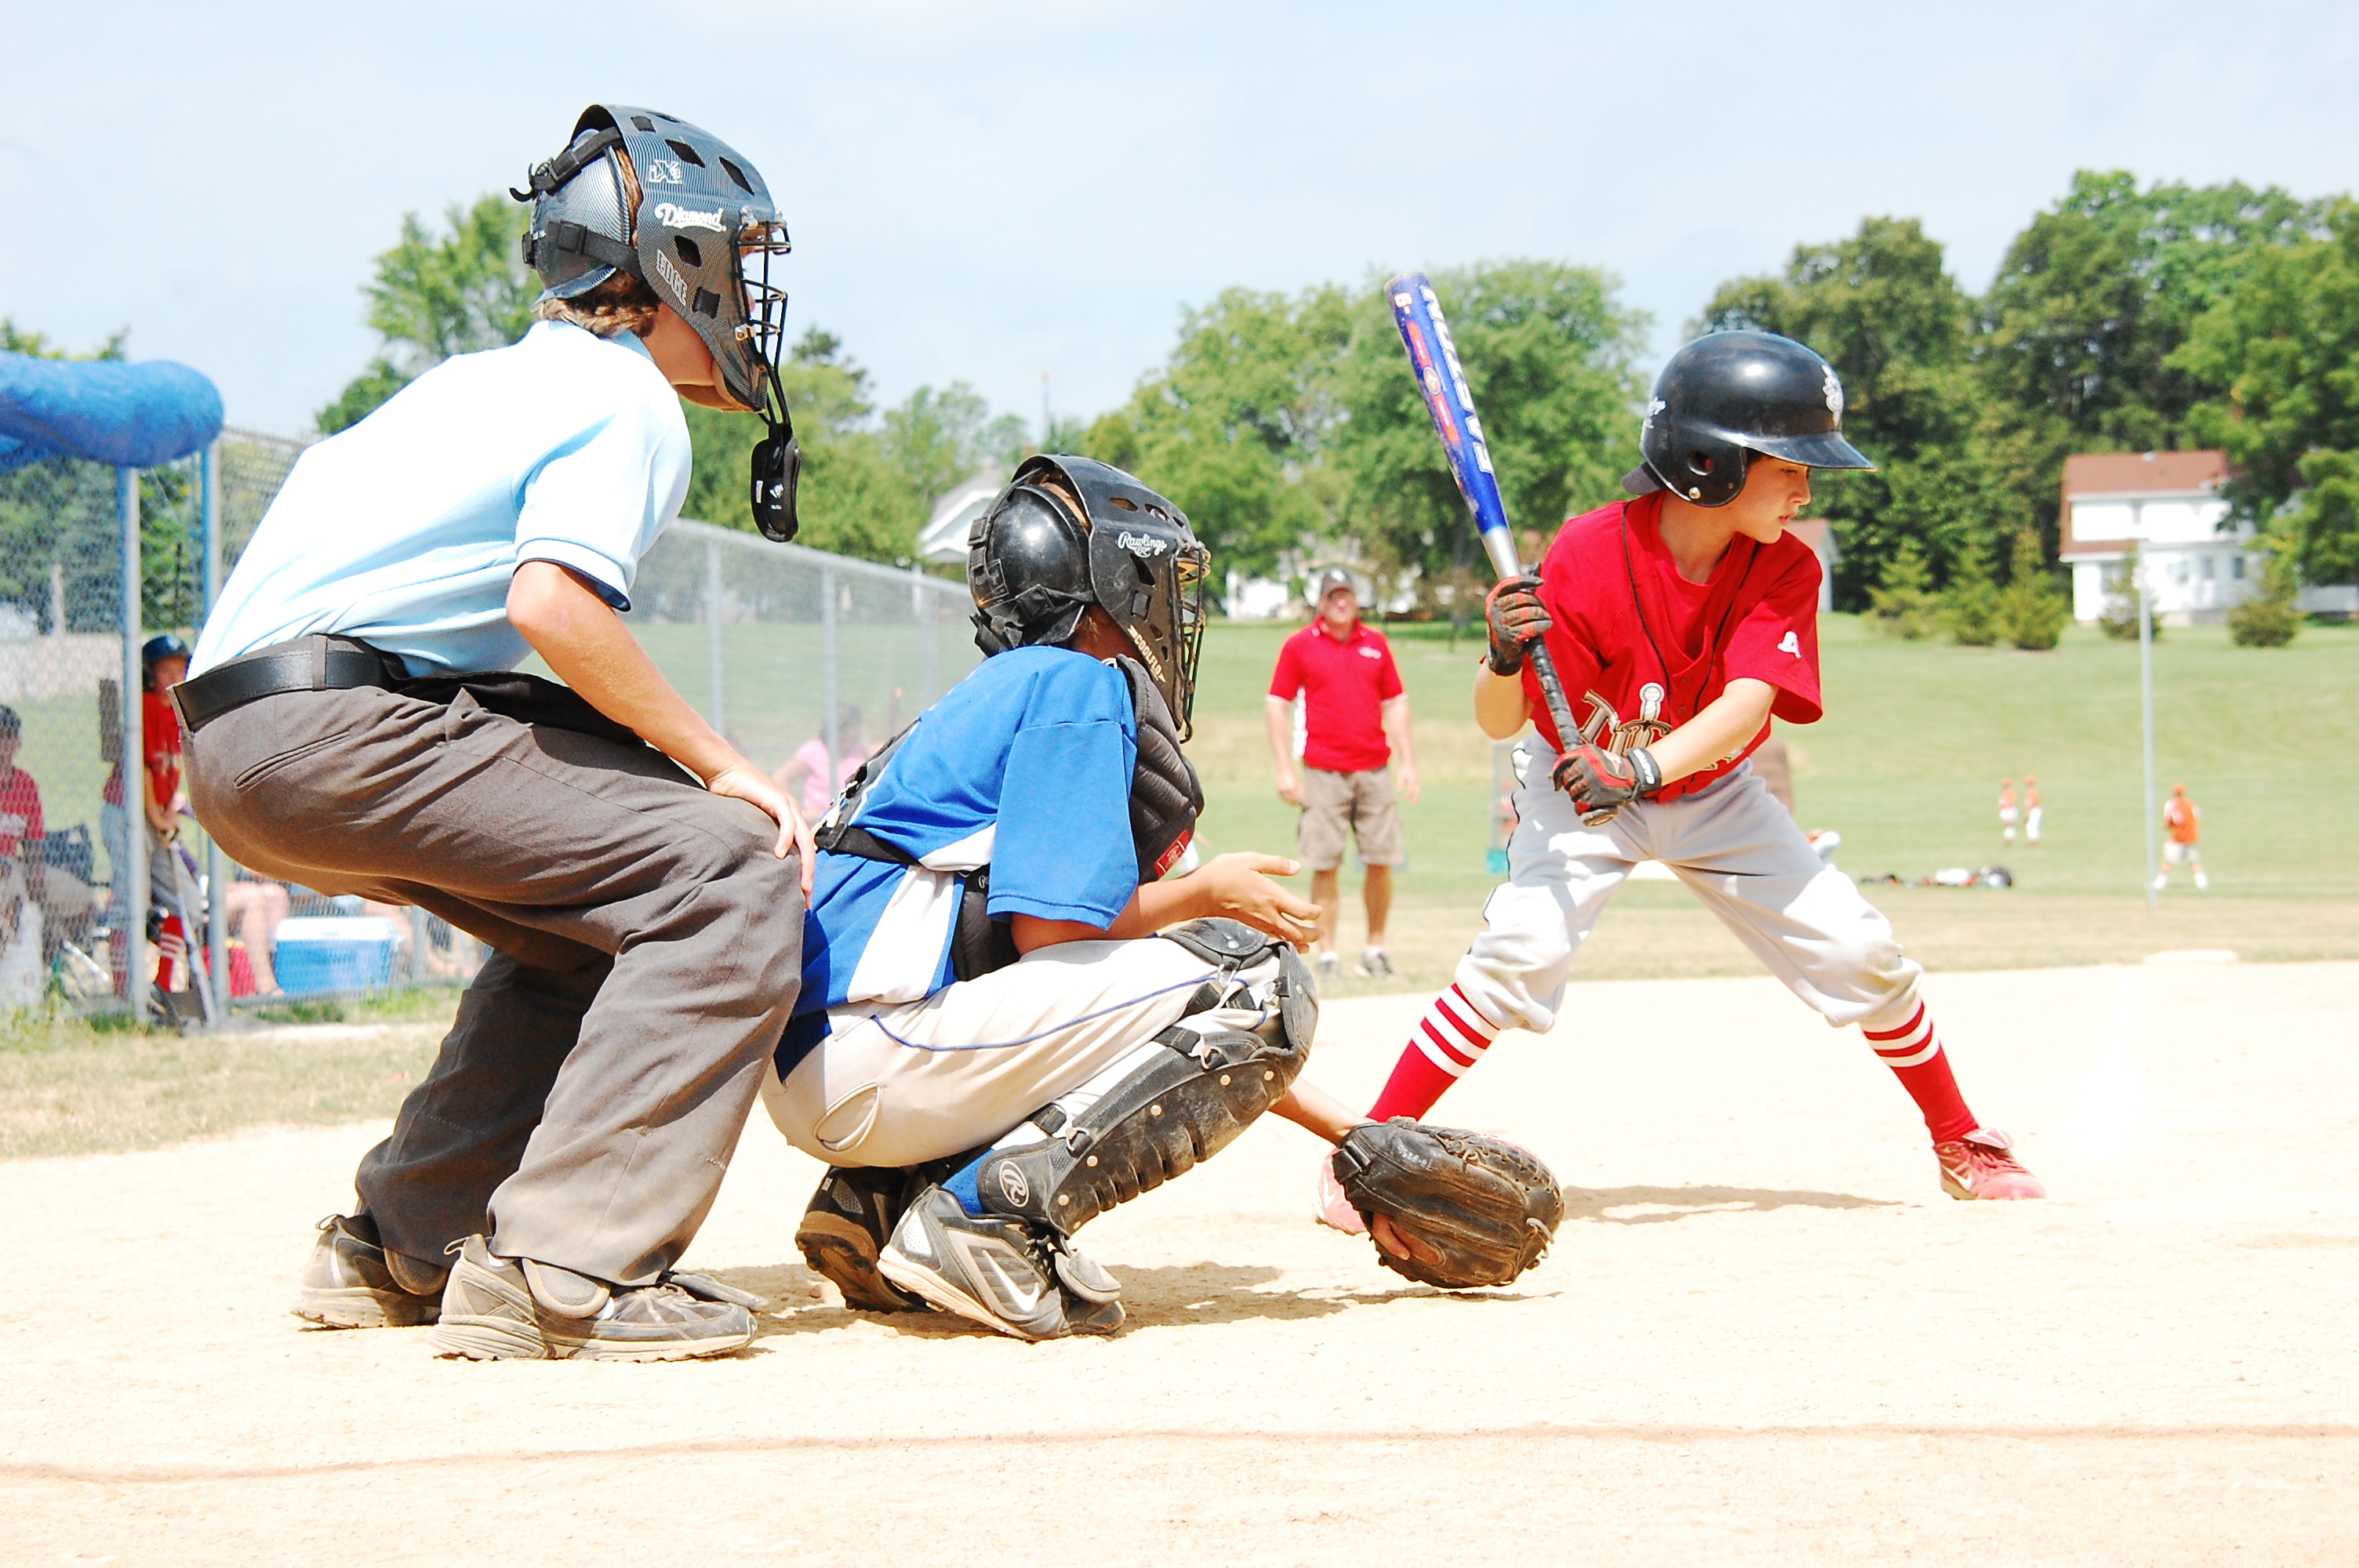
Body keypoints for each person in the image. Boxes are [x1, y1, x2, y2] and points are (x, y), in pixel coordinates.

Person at [180, 104, 813, 1362]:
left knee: (589, 927)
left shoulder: (472, 383)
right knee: (731, 866)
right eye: (736, 269)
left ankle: (403, 1243)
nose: (748, 306)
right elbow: (552, 603)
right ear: (674, 264)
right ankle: (567, 1269)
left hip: (240, 744)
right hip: (338, 728)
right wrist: (725, 766)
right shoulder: (624, 397)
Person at [1318, 330, 2044, 1236]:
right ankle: (1363, 1150)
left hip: (1708, 790)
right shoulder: (1587, 550)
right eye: (1790, 466)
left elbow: (1746, 706)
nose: (1806, 490)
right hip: (1576, 789)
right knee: (1519, 951)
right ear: (1710, 462)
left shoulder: (1784, 565)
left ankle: (1958, 1137)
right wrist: (1502, 655)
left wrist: (1640, 765)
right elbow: (1498, 721)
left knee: (1858, 948)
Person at [768, 455, 1374, 1341]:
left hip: (828, 1066)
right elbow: (1054, 939)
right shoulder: (1076, 682)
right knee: (1256, 979)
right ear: (1105, 589)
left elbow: (1105, 1014)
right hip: (879, 1055)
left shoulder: (991, 691)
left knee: (1182, 982)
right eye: (1153, 580)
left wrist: (1355, 1135)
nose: (1166, 606)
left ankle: (875, 1203)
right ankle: (981, 1217)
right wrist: (1204, 893)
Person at [1264, 566, 1419, 981]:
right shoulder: (1300, 646)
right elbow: (1277, 705)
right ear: (1321, 601)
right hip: (1323, 772)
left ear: (1355, 598)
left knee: (1381, 859)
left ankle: (1375, 949)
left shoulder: (1376, 644)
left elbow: (1396, 703)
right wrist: (1285, 769)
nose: (1340, 602)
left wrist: (1408, 761)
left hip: (1374, 769)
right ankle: (1328, 954)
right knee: (1325, 862)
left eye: (1346, 594)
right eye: (1332, 595)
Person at [101, 635, 194, 997]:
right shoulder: (144, 706)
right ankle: (124, 994)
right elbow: (140, 768)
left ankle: (162, 987)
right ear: (149, 674)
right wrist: (158, 817)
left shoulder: (179, 711)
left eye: (180, 669)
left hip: (157, 816)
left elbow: (174, 767)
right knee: (131, 903)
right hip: (127, 814)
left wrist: (169, 810)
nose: (174, 677)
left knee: (187, 902)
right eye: (165, 670)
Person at [773, 703, 868, 820]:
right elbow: (781, 778)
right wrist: (798, 813)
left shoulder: (860, 750)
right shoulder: (814, 752)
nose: (857, 732)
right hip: (818, 824)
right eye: (852, 727)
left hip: (848, 822)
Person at [2156, 782, 2205, 891]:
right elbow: (2197, 818)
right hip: (2191, 838)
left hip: (2177, 839)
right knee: (2194, 861)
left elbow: (2169, 821)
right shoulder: (2191, 805)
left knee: (2168, 861)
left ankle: (2161, 882)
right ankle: (2202, 882)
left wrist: (2166, 826)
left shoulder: (2172, 805)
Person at [1998, 776, 2019, 844]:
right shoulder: (2004, 792)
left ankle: (2010, 839)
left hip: (2009, 810)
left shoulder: (2011, 793)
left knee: (2009, 825)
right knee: (2006, 826)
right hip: (2005, 810)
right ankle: (2008, 839)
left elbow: (2012, 802)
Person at [2024, 775, 2043, 846]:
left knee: (2032, 825)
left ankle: (2034, 841)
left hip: (2034, 809)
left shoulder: (2032, 792)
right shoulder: (2033, 791)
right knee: (2032, 825)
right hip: (2035, 809)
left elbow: (2032, 803)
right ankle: (2034, 840)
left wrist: (2028, 812)